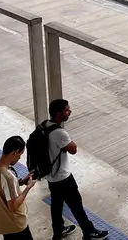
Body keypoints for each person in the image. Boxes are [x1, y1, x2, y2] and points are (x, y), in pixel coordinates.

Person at [44, 99, 108, 240]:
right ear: (59, 114)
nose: (70, 111)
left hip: (50, 176)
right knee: (76, 205)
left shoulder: (44, 125)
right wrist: (69, 141)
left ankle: (58, 231)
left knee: (56, 205)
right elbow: (73, 149)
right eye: (67, 110)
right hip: (63, 177)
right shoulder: (60, 133)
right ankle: (89, 231)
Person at [0, 136, 37, 240]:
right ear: (15, 152)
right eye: (20, 154)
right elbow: (13, 207)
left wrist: (21, 182)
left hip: (4, 223)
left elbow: (1, 189)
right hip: (16, 226)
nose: (19, 158)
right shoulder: (8, 177)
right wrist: (28, 187)